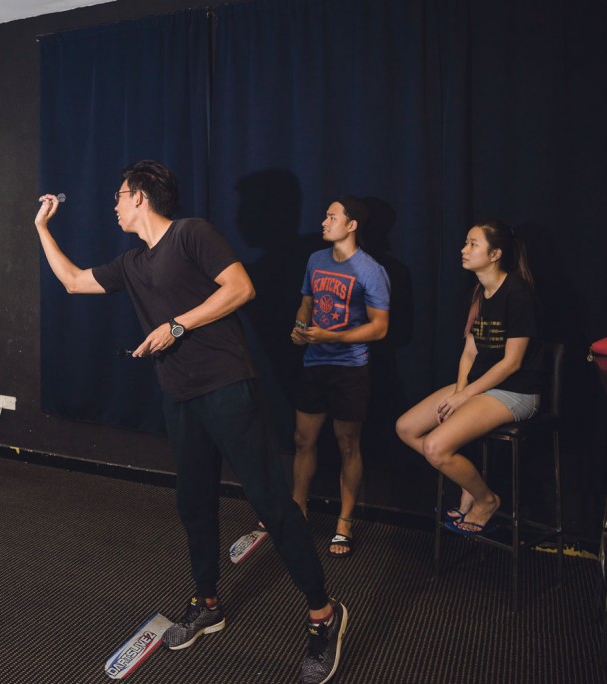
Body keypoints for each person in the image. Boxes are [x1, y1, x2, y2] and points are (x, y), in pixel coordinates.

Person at [34, 160, 346, 684]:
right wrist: (43, 228)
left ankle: (323, 614)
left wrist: (176, 325)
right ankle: (207, 603)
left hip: (227, 387)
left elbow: (240, 288)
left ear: (139, 198)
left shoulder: (191, 234)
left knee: (271, 501)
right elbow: (70, 282)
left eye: (118, 196)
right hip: (179, 399)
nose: (113, 206)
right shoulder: (132, 263)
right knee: (193, 503)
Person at [395, 219, 540, 535]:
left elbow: (512, 363)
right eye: (465, 242)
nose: (464, 249)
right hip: (479, 387)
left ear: (495, 254)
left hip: (514, 392)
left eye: (473, 244)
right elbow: (470, 353)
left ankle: (485, 499)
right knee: (406, 428)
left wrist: (464, 396)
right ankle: (468, 481)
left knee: (435, 447)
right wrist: (459, 391)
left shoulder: (517, 293)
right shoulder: (480, 292)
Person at [290, 197, 390, 558]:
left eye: (332, 216)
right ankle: (296, 509)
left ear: (351, 226)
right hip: (314, 363)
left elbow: (380, 328)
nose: (324, 221)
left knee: (348, 444)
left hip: (350, 368)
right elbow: (307, 300)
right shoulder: (316, 260)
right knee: (304, 440)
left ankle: (344, 523)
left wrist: (333, 337)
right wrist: (300, 326)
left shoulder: (371, 270)